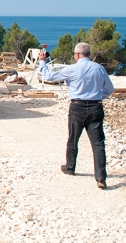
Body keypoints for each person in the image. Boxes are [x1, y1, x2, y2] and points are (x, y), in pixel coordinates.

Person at [38, 42, 115, 189]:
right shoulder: (99, 68)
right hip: (95, 107)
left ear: (78, 55)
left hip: (77, 106)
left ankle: (70, 167)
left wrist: (42, 62)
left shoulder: (72, 69)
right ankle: (100, 177)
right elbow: (110, 89)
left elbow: (48, 76)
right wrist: (99, 96)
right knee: (98, 143)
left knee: (73, 138)